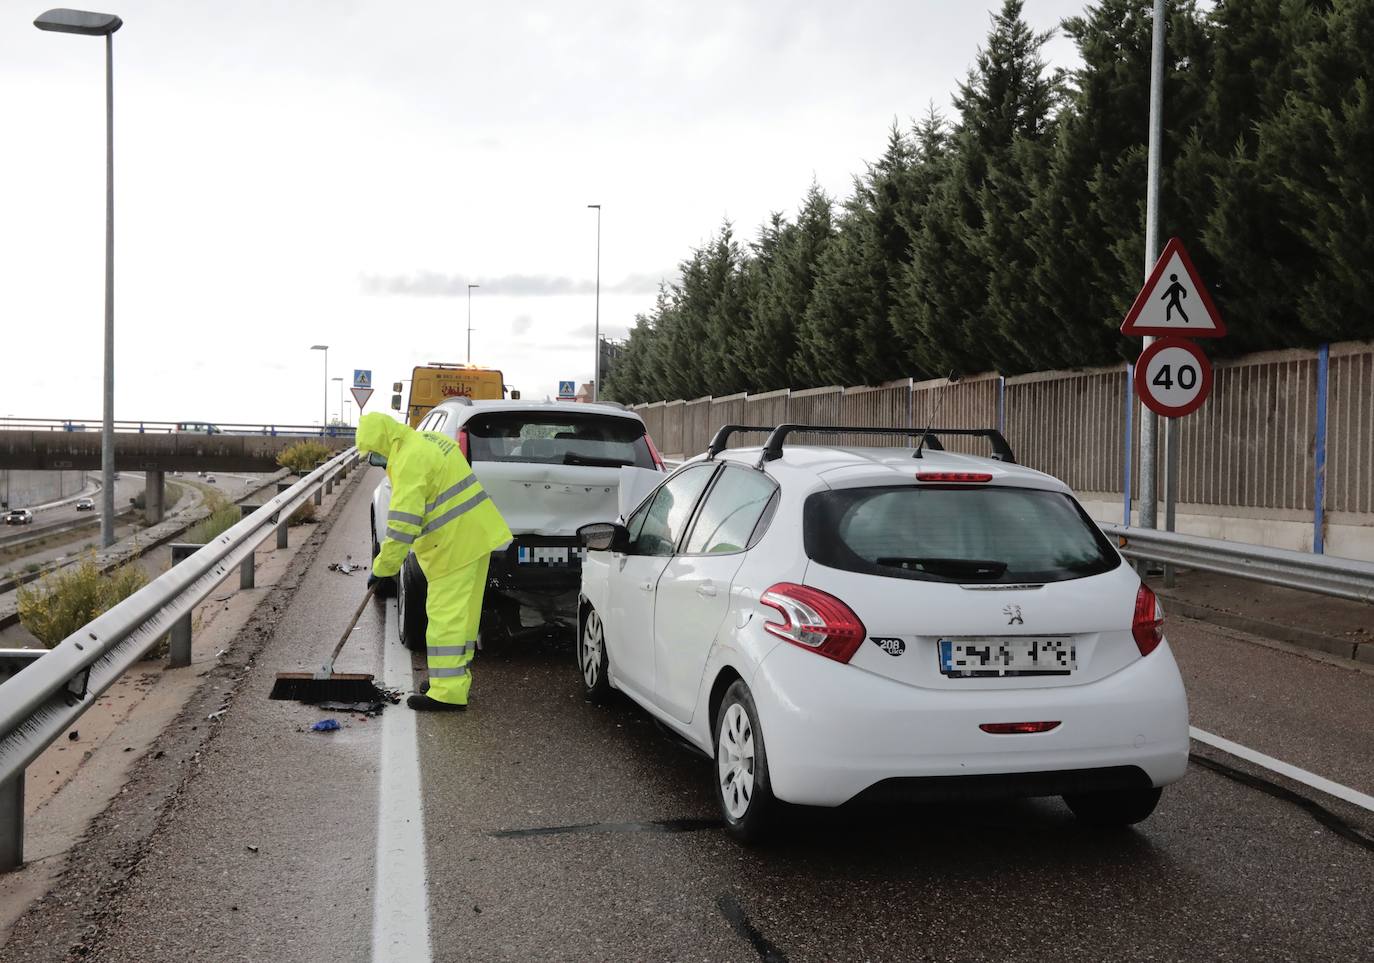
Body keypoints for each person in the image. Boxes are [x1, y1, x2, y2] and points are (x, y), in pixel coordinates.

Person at [356, 412, 512, 711]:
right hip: (477, 535)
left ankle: (447, 693)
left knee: (445, 617)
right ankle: (452, 679)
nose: (376, 460)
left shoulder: (408, 461)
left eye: (374, 453)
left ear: (384, 441)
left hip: (453, 546)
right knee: (463, 618)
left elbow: (402, 526)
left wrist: (382, 569)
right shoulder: (430, 439)